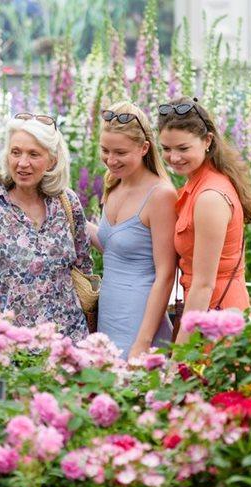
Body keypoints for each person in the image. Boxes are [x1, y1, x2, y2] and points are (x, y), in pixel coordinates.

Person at [0, 113, 93, 341]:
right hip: (10, 346)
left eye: (34, 154)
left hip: (68, 344)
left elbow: (84, 268)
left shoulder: (67, 203)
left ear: (51, 160)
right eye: (16, 152)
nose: (22, 163)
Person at [157, 97, 251, 344]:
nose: (173, 157)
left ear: (207, 141)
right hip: (211, 309)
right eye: (166, 148)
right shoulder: (201, 182)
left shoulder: (209, 197)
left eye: (183, 148)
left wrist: (181, 352)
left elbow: (204, 285)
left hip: (214, 314)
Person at [86, 101, 176, 358]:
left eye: (120, 153)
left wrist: (143, 341)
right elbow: (114, 246)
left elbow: (166, 274)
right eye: (105, 150)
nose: (111, 160)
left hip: (139, 317)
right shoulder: (114, 184)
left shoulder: (161, 195)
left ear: (144, 147)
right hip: (109, 312)